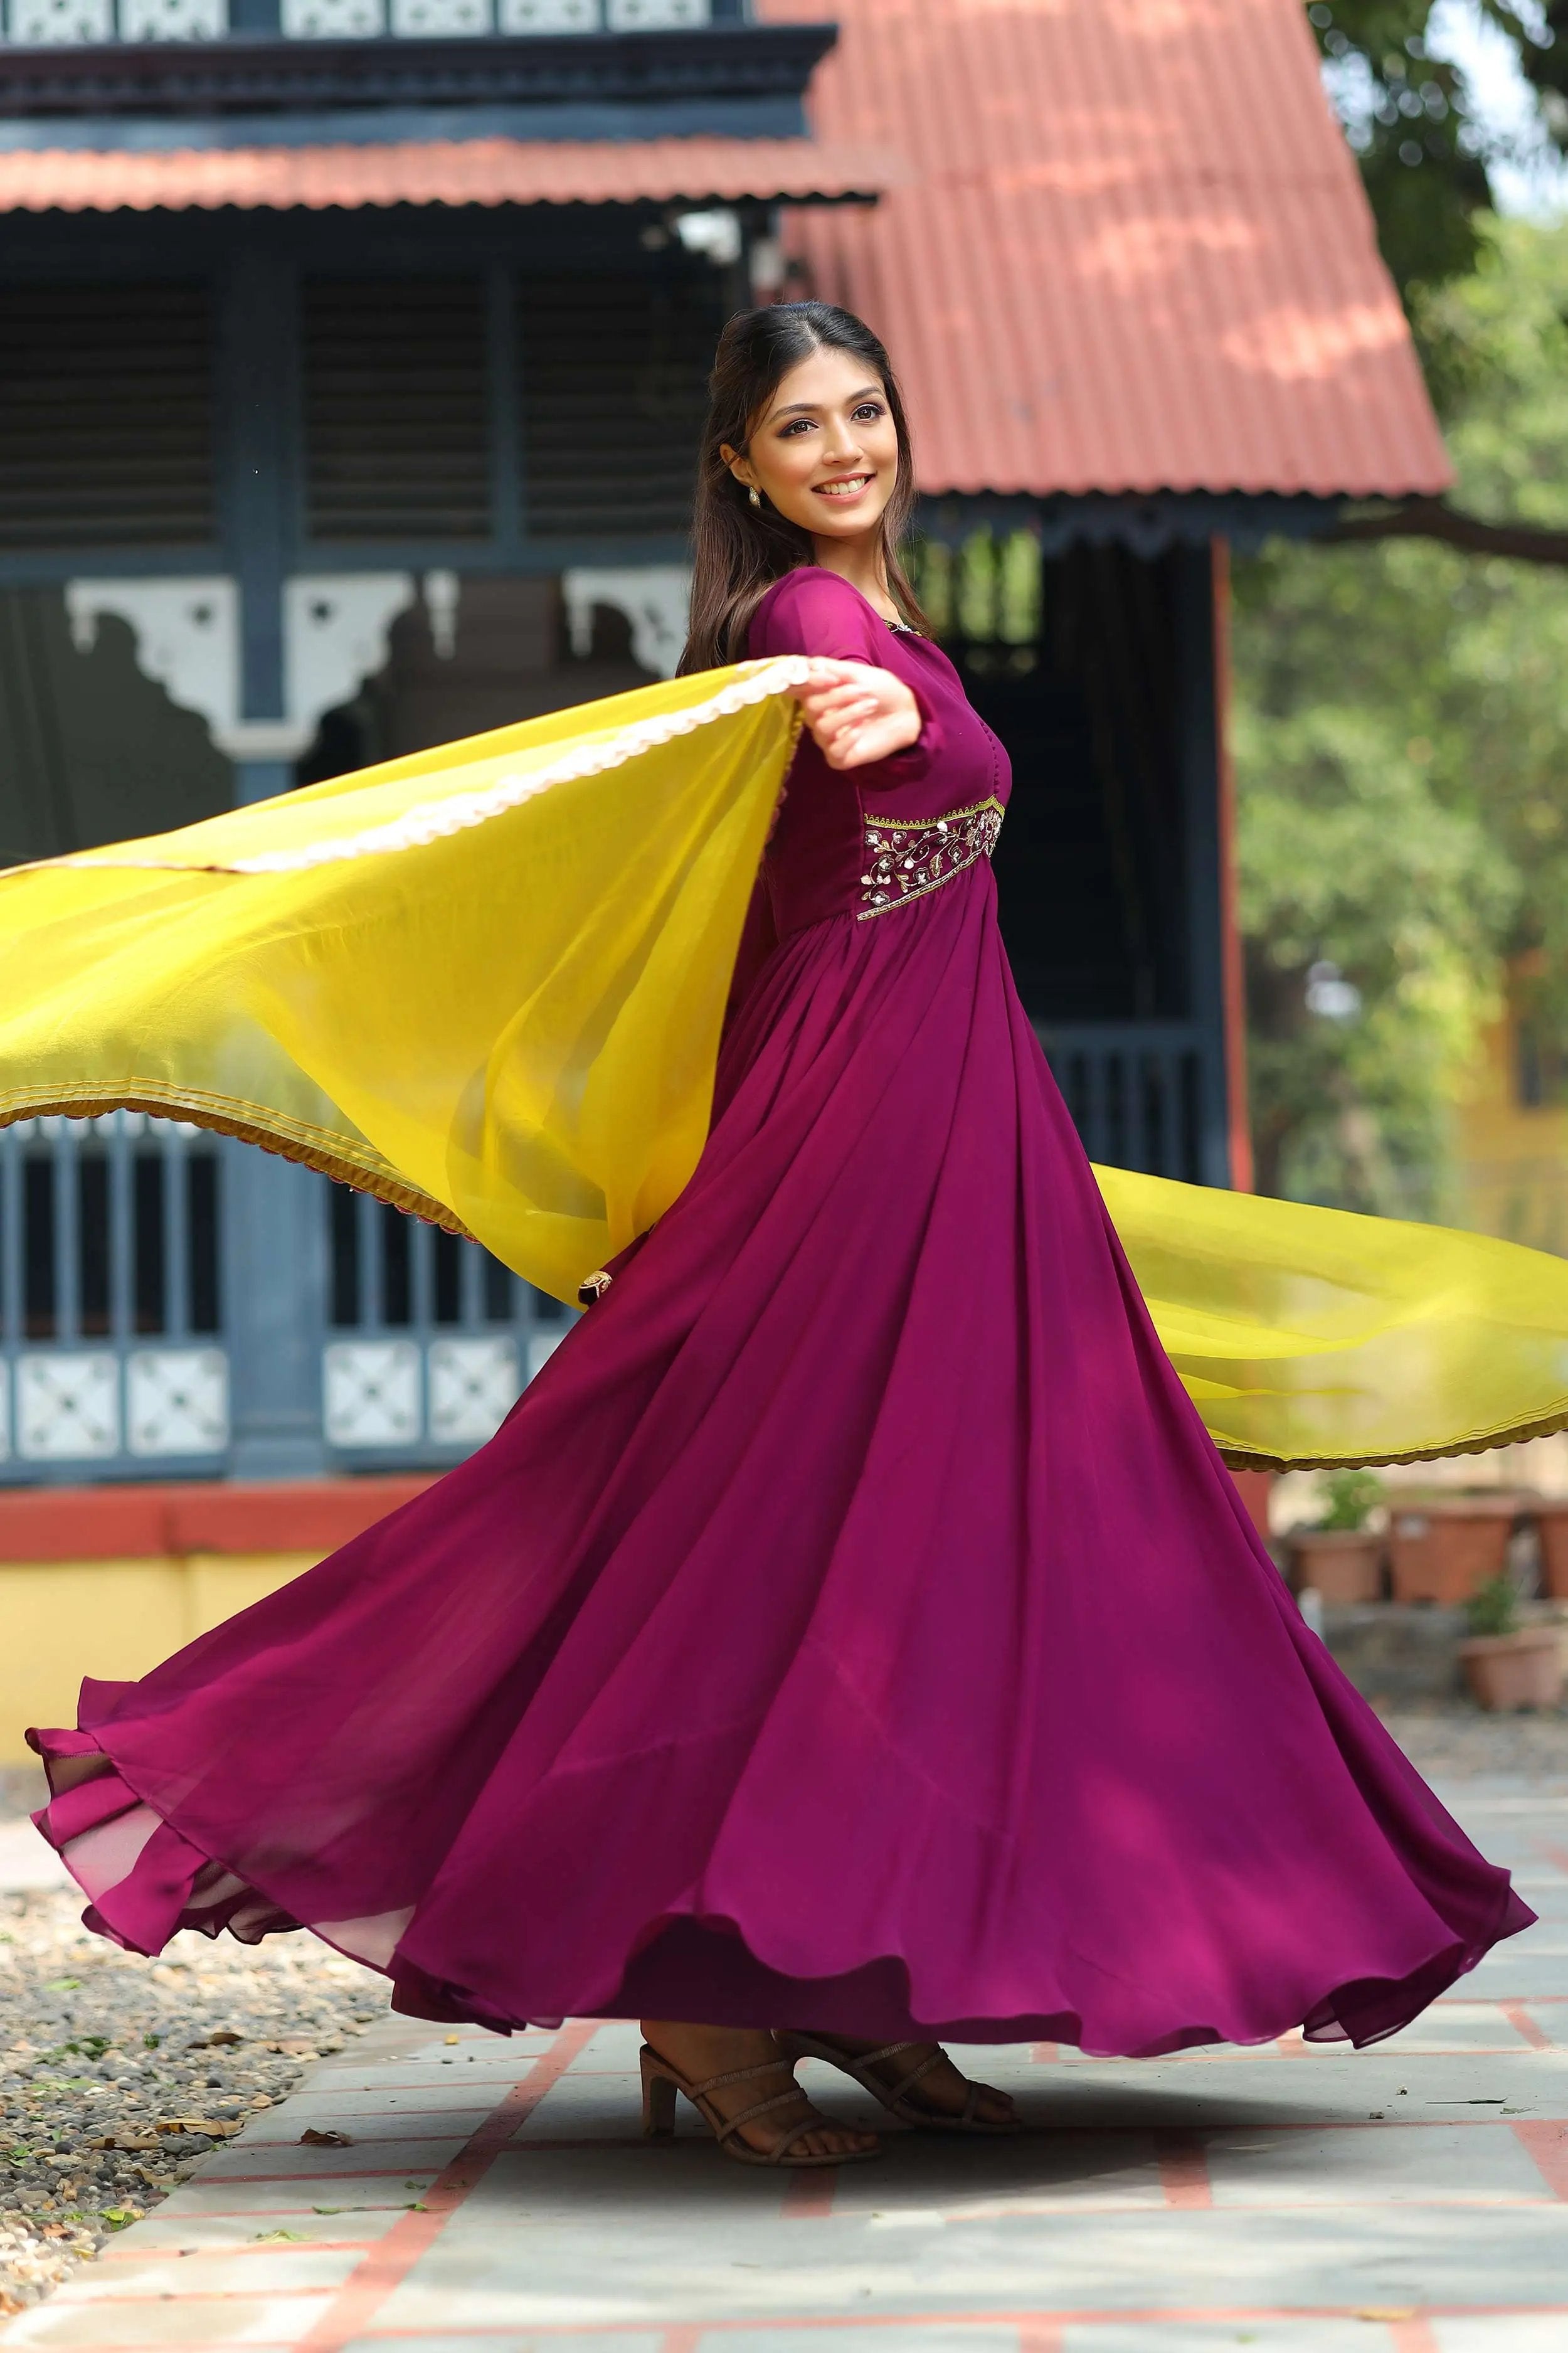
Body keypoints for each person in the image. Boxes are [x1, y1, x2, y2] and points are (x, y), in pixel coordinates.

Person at [26, 304, 1534, 2172]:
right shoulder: (818, 631)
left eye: (866, 410)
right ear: (739, 464)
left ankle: (827, 1986)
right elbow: (845, 732)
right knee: (756, 1543)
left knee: (896, 1566)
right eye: (798, 426)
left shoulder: (879, 613)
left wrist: (906, 705)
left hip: (948, 1128)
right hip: (859, 1142)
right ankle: (701, 1995)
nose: (842, 447)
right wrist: (881, 715)